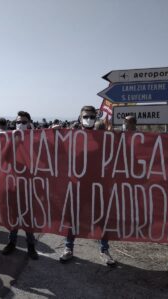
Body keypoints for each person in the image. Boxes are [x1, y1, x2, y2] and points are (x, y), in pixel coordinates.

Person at [59, 105, 116, 266]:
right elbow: (59, 151)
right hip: (78, 186)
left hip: (99, 186)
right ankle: (68, 248)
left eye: (92, 116)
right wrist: (56, 133)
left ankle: (104, 250)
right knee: (73, 218)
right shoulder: (71, 136)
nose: (89, 119)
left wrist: (116, 136)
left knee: (102, 218)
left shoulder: (103, 137)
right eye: (86, 116)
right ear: (80, 118)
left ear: (96, 118)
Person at [2, 111, 38, 260]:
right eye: (18, 122)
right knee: (14, 215)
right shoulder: (10, 138)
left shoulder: (37, 139)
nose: (21, 125)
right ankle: (12, 242)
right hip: (14, 183)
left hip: (31, 184)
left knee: (28, 217)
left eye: (24, 122)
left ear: (29, 123)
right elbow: (4, 158)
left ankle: (31, 246)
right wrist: (13, 142)